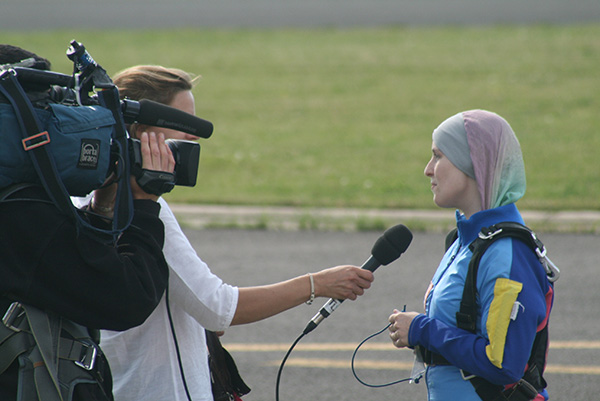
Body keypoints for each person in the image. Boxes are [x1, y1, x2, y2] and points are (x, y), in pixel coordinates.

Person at [87, 65, 375, 401]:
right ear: (138, 131)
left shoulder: (92, 198)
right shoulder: (146, 210)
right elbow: (217, 309)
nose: (193, 135)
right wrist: (318, 284)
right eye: (183, 124)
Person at [0, 46, 175, 400]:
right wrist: (143, 205)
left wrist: (100, 212)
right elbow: (128, 297)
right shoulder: (20, 210)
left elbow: (59, 270)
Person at [388, 110, 555, 400]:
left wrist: (421, 330)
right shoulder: (464, 240)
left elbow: (503, 363)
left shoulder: (507, 254)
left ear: (473, 164)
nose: (428, 169)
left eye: (438, 156)